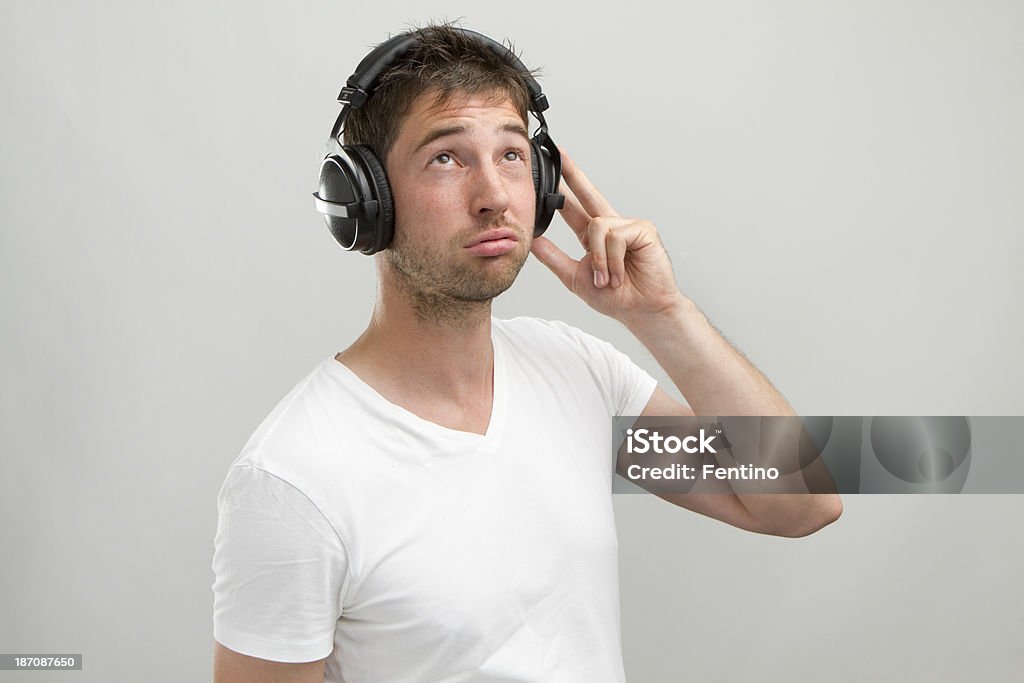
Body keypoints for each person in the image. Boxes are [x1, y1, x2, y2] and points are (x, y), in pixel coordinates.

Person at [211, 23, 842, 683]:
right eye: (446, 158)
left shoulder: (577, 374)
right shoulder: (293, 479)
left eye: (512, 155)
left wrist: (663, 317)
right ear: (364, 199)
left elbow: (802, 500)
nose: (493, 197)